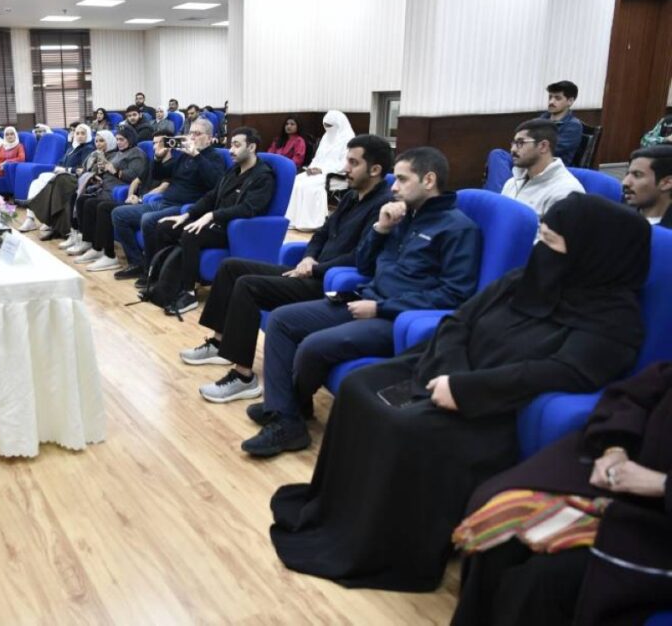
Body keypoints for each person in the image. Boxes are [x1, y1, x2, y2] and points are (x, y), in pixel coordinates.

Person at [267, 193, 649, 593]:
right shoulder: (526, 278)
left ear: (591, 254)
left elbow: (558, 372)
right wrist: (449, 371)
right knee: (358, 387)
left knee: (402, 425)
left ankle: (380, 542)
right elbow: (459, 321)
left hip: (494, 407)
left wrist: (466, 388)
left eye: (551, 241)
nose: (540, 249)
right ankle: (339, 512)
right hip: (445, 369)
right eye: (541, 235)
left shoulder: (614, 321)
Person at [240, 147, 481, 455]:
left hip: (396, 318)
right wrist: (381, 228)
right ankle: (287, 412)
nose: (393, 187)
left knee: (312, 345)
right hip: (366, 298)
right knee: (281, 320)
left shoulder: (459, 228)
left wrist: (380, 308)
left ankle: (286, 413)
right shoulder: (402, 217)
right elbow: (365, 266)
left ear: (429, 180)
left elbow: (455, 294)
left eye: (402, 179)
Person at [451, 361, 671, 626]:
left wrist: (661, 484)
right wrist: (615, 448)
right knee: (499, 535)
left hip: (658, 529)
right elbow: (633, 396)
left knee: (544, 578)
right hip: (626, 483)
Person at [181, 134, 393, 383]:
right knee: (230, 267)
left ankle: (243, 376)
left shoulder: (383, 207)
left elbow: (359, 256)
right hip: (308, 270)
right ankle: (219, 343)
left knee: (247, 285)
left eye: (353, 163)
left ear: (375, 169)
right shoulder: (350, 196)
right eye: (347, 160)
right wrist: (309, 257)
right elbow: (321, 234)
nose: (345, 168)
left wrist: (314, 268)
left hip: (327, 282)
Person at [153, 127, 276, 314]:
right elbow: (211, 196)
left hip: (235, 229)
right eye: (231, 145)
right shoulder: (233, 170)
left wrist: (212, 215)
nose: (231, 150)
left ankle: (189, 293)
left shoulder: (264, 176)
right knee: (165, 226)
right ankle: (165, 287)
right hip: (214, 223)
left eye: (237, 145)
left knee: (190, 234)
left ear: (251, 147)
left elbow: (248, 209)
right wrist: (187, 215)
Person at [111, 118, 225, 282]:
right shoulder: (184, 156)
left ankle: (153, 271)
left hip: (184, 207)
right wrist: (158, 158)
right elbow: (161, 174)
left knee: (148, 220)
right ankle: (137, 263)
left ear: (209, 138)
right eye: (190, 133)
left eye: (197, 134)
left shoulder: (214, 157)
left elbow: (215, 182)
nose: (192, 137)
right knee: (118, 214)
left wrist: (196, 155)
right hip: (164, 202)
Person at [69, 133, 171, 275]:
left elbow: (163, 187)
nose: (155, 147)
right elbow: (136, 181)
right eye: (154, 143)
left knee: (104, 207)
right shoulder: (154, 162)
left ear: (170, 145)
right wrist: (130, 195)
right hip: (137, 200)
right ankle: (99, 249)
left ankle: (113, 256)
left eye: (160, 143)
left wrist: (141, 198)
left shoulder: (172, 163)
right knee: (93, 204)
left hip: (150, 202)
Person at [485, 81, 585, 191]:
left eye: (557, 98)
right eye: (550, 97)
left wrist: (525, 149)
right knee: (498, 154)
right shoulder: (542, 118)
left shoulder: (573, 126)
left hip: (547, 164)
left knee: (506, 167)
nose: (551, 101)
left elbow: (552, 150)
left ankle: (503, 195)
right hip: (528, 155)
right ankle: (505, 193)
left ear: (570, 101)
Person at [68, 126, 147, 260]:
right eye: (117, 139)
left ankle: (102, 249)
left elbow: (135, 176)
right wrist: (100, 172)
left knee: (96, 205)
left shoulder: (136, 153)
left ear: (130, 139)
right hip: (105, 186)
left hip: (118, 189)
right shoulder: (118, 153)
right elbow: (108, 170)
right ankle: (89, 242)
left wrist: (114, 170)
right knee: (82, 200)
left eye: (122, 139)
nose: (118, 142)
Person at [28, 130, 116, 241]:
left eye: (102, 141)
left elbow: (107, 174)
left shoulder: (114, 155)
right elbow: (84, 169)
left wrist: (96, 170)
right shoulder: (93, 154)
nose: (98, 144)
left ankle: (35, 204)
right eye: (97, 141)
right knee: (60, 184)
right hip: (83, 179)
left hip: (93, 184)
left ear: (109, 141)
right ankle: (57, 228)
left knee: (62, 180)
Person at [285, 110, 355, 231]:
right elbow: (317, 158)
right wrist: (311, 168)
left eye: (330, 126)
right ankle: (293, 220)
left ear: (338, 124)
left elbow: (345, 164)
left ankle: (310, 223)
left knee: (308, 186)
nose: (327, 129)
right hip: (318, 171)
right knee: (296, 181)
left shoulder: (349, 140)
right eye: (325, 126)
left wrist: (322, 170)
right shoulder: (326, 137)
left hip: (336, 175)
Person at [501, 119, 584, 219]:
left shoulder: (566, 192)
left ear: (543, 146)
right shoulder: (511, 183)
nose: (513, 149)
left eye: (520, 143)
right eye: (513, 143)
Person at [19, 123, 95, 232]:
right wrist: (60, 168)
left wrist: (66, 169)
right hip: (62, 174)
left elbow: (82, 169)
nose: (79, 136)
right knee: (36, 182)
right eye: (77, 133)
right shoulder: (72, 148)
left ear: (88, 135)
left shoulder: (88, 148)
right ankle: (30, 218)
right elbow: (60, 162)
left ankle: (36, 214)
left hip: (72, 178)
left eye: (83, 133)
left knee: (44, 178)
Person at [623, 145, 672, 228]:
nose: (625, 182)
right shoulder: (616, 219)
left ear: (667, 183)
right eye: (627, 174)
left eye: (637, 175)